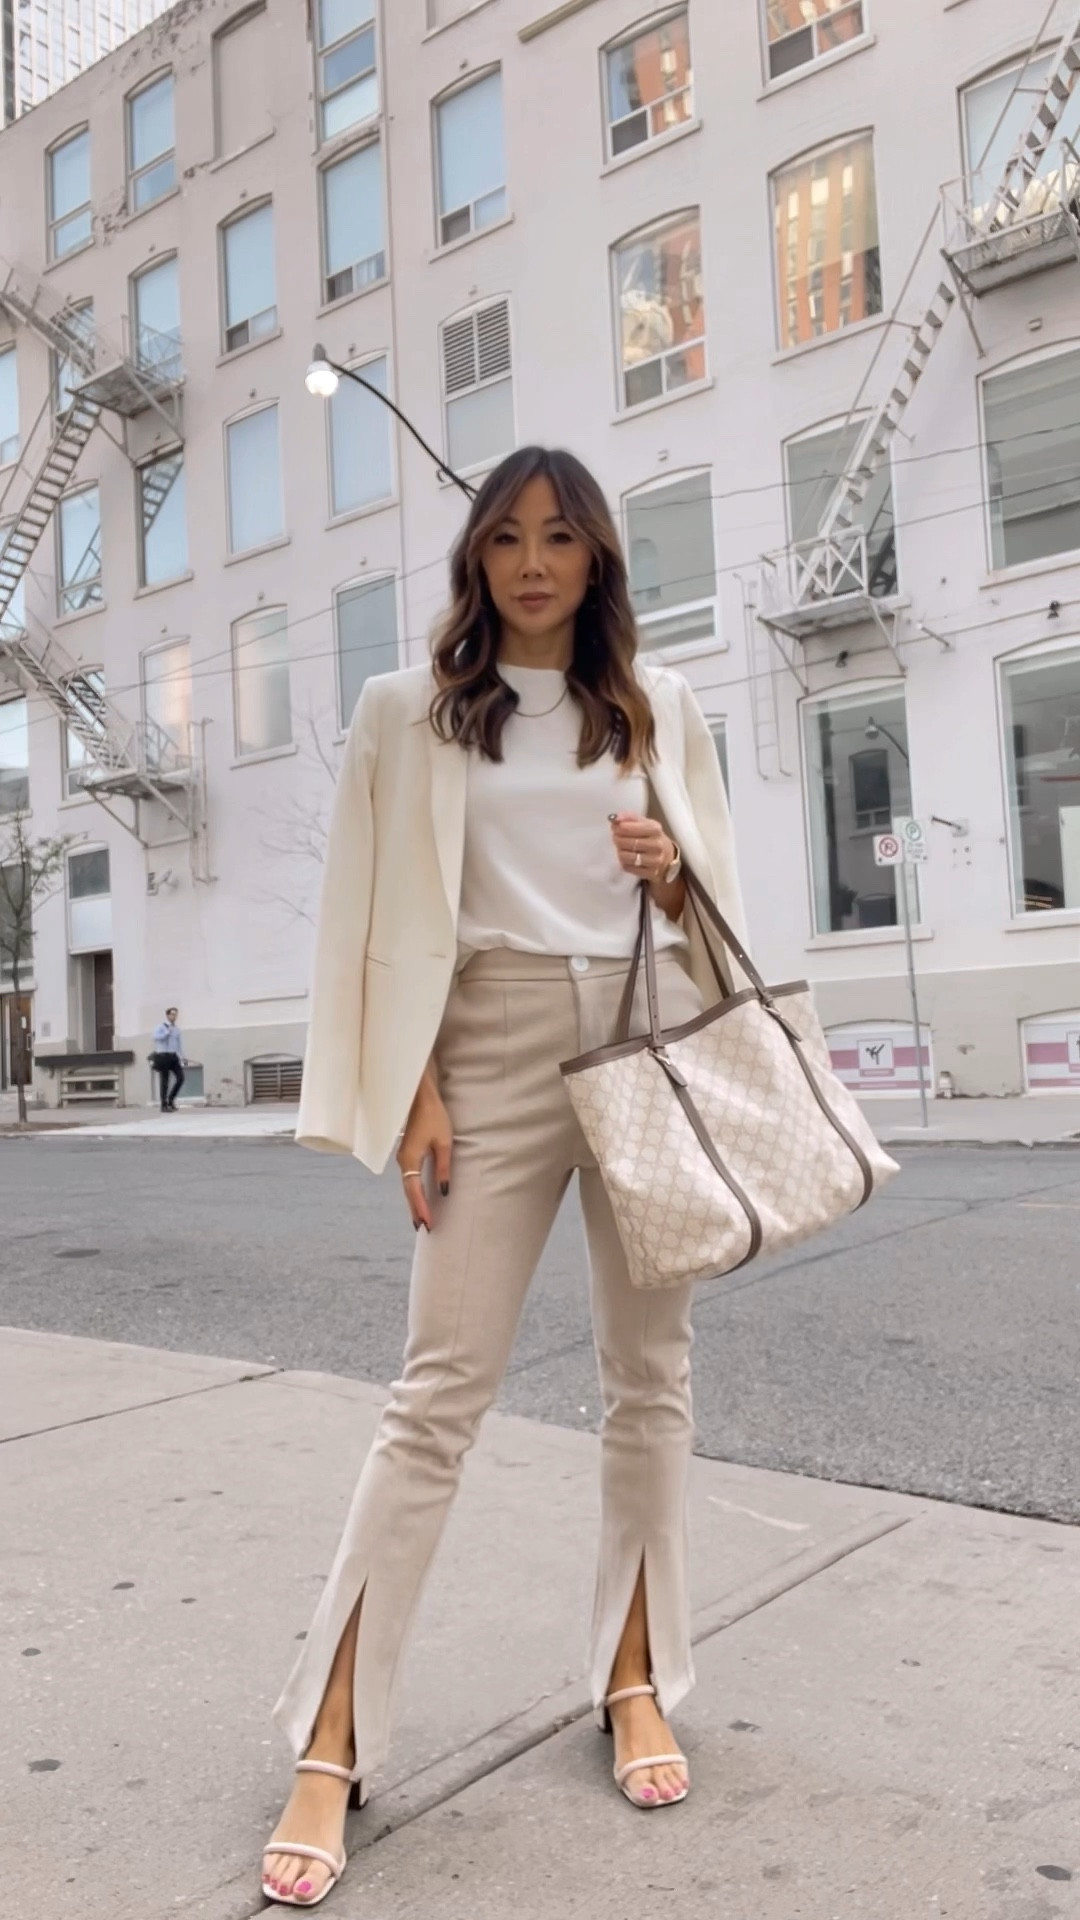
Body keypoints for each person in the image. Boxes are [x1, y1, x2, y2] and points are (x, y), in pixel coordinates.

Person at [261, 446, 746, 1908]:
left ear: (599, 559)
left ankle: (634, 1677)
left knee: (648, 1381)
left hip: (637, 1031)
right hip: (480, 1046)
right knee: (434, 1399)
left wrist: (670, 869)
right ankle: (329, 1744)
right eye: (507, 539)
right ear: (476, 558)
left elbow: (717, 903)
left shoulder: (661, 705)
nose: (534, 563)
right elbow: (360, 913)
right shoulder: (405, 715)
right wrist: (409, 1085)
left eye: (562, 539)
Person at [152, 1007, 185, 1112]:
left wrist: (182, 1056)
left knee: (181, 1078)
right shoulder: (160, 1027)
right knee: (164, 1081)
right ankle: (164, 1105)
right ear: (167, 1015)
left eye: (175, 1014)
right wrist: (166, 1032)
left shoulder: (177, 1029)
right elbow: (156, 1037)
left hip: (173, 1056)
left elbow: (178, 1044)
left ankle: (171, 1099)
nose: (174, 1016)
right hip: (163, 1055)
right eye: (172, 1014)